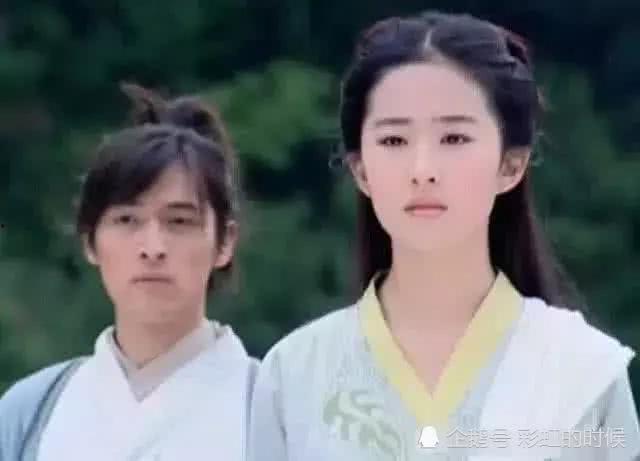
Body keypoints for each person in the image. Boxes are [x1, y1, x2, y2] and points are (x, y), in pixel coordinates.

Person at [248, 11, 640, 461]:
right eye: (394, 141)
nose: (423, 170)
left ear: (511, 165)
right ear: (361, 170)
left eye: (454, 138)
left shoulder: (580, 370)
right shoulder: (295, 373)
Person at [0, 83, 258, 460]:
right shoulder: (31, 412)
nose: (152, 248)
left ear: (225, 242)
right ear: (90, 241)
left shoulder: (274, 408)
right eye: (126, 220)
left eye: (179, 222)